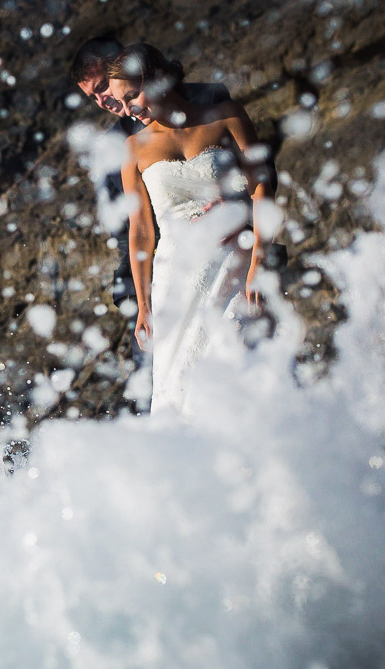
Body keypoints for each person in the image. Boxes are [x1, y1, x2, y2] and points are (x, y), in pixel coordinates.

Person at [107, 43, 274, 414]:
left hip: (235, 265)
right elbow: (141, 232)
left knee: (241, 367)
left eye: (133, 94)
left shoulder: (224, 115)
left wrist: (258, 264)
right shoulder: (132, 149)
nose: (130, 107)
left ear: (157, 78)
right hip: (175, 279)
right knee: (181, 380)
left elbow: (264, 185)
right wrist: (144, 306)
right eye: (123, 102)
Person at [70, 37, 231, 349]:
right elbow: (127, 230)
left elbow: (252, 169)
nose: (103, 100)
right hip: (159, 275)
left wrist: (235, 213)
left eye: (103, 85)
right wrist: (142, 296)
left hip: (228, 249)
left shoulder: (210, 98)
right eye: (93, 98)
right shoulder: (112, 150)